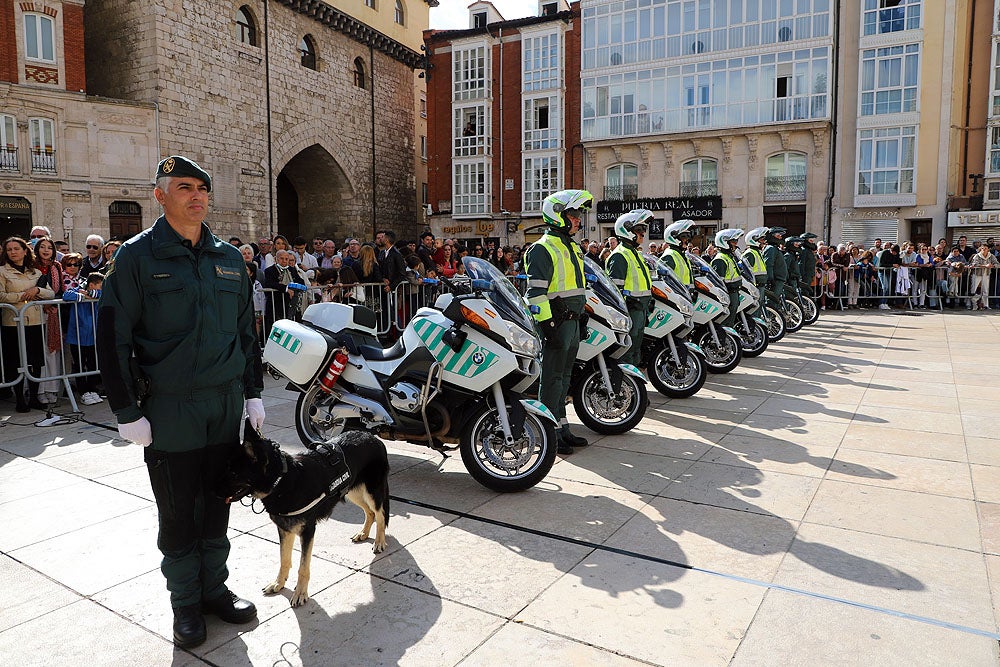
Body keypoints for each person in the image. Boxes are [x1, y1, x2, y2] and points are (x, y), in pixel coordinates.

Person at [96, 155, 264, 649]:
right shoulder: (136, 257)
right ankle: (185, 602)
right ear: (160, 195)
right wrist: (127, 411)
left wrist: (253, 393)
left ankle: (214, 590)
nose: (196, 196)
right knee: (177, 510)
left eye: (202, 189)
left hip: (224, 403)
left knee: (218, 503)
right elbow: (112, 338)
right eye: (184, 186)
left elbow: (245, 335)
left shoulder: (229, 259)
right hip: (169, 408)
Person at [525, 189, 594, 456]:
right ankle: (547, 431)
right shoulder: (543, 248)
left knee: (564, 379)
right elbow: (536, 293)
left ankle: (562, 426)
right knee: (551, 379)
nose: (578, 219)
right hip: (556, 324)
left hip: (572, 322)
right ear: (557, 215)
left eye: (578, 215)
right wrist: (547, 327)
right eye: (573, 214)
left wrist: (583, 314)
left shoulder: (571, 246)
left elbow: (575, 288)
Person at [1, 236, 56, 411]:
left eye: (16, 249)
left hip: (35, 321)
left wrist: (37, 290)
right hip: (13, 323)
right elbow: (2, 296)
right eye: (9, 250)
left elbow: (50, 293)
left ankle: (33, 398)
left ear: (25, 251)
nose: (13, 252)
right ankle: (20, 400)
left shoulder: (36, 273)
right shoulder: (2, 271)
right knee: (16, 361)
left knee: (35, 360)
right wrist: (24, 296)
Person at [606, 209, 653, 367]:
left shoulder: (635, 253)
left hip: (640, 309)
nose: (643, 233)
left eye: (644, 230)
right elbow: (614, 290)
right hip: (630, 311)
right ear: (626, 230)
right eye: (639, 230)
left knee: (635, 351)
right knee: (626, 353)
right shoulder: (620, 255)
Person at [64, 272, 104, 405]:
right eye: (100, 286)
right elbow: (66, 295)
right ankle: (83, 392)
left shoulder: (99, 293)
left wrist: (91, 294)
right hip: (77, 336)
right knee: (79, 364)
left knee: (93, 363)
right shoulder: (78, 289)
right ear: (91, 284)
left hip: (93, 336)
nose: (102, 289)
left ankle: (92, 389)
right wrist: (81, 295)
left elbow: (103, 295)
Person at [34, 236, 65, 405]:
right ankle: (38, 390)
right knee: (38, 353)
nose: (46, 250)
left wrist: (52, 304)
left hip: (53, 313)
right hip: (34, 313)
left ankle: (52, 389)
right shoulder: (32, 267)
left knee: (52, 352)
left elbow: (60, 288)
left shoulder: (57, 267)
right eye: (42, 247)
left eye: (50, 247)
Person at [711, 228, 745, 329]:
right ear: (724, 242)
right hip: (728, 294)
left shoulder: (729, 256)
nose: (736, 244)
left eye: (736, 241)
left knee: (731, 321)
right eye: (733, 241)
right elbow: (718, 282)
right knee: (726, 323)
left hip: (733, 292)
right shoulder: (720, 259)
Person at [659, 219, 696, 293]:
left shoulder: (682, 254)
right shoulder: (669, 256)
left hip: (685, 295)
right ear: (674, 238)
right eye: (684, 237)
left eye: (688, 236)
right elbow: (664, 282)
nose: (687, 240)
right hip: (677, 295)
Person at [762, 227, 788, 313]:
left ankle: (773, 320)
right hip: (775, 280)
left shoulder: (774, 248)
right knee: (771, 302)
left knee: (775, 302)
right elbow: (768, 265)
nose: (780, 237)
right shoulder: (771, 248)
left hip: (779, 279)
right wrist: (770, 279)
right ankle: (770, 319)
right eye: (778, 235)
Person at [969, 243, 1000, 310]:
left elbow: (997, 264)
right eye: (982, 248)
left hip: (986, 274)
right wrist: (985, 266)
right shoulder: (977, 256)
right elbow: (975, 264)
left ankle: (985, 305)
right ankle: (972, 304)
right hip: (977, 274)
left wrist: (992, 265)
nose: (984, 250)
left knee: (985, 290)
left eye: (985, 248)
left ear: (988, 249)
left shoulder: (991, 256)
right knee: (974, 289)